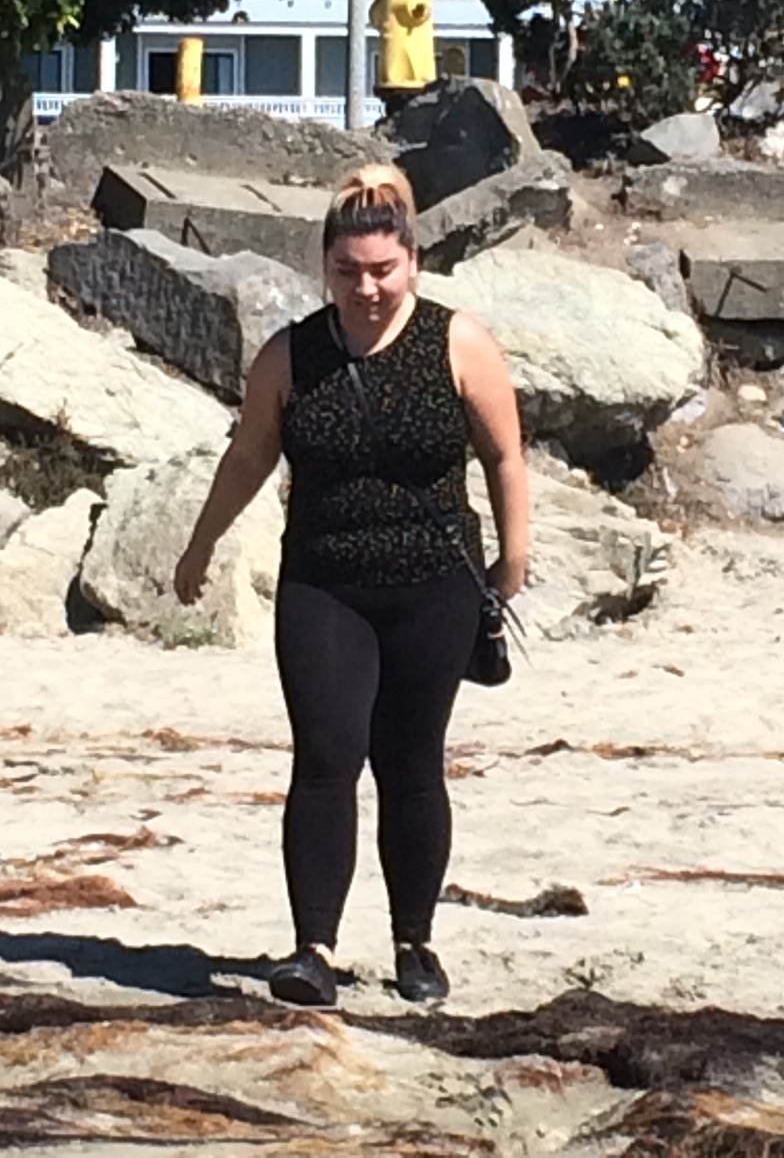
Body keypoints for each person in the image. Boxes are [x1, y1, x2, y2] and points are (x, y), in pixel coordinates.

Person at [173, 163, 528, 1008]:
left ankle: (415, 943)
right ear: (326, 269)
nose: (366, 289)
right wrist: (201, 544)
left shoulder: (457, 342)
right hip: (325, 584)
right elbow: (249, 457)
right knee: (327, 756)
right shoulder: (290, 355)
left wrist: (513, 559)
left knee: (411, 763)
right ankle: (313, 950)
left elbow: (505, 455)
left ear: (413, 262)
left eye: (382, 270)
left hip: (432, 586)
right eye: (347, 272)